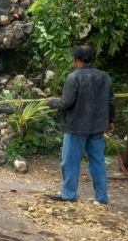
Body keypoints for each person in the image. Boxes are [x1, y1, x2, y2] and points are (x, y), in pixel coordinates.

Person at [46, 46, 114, 204]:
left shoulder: (73, 77)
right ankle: (102, 197)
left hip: (76, 126)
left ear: (75, 59)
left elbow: (66, 102)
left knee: (70, 162)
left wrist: (50, 102)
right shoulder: (105, 77)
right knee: (98, 162)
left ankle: (69, 194)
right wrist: (110, 120)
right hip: (97, 126)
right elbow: (111, 101)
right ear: (92, 59)